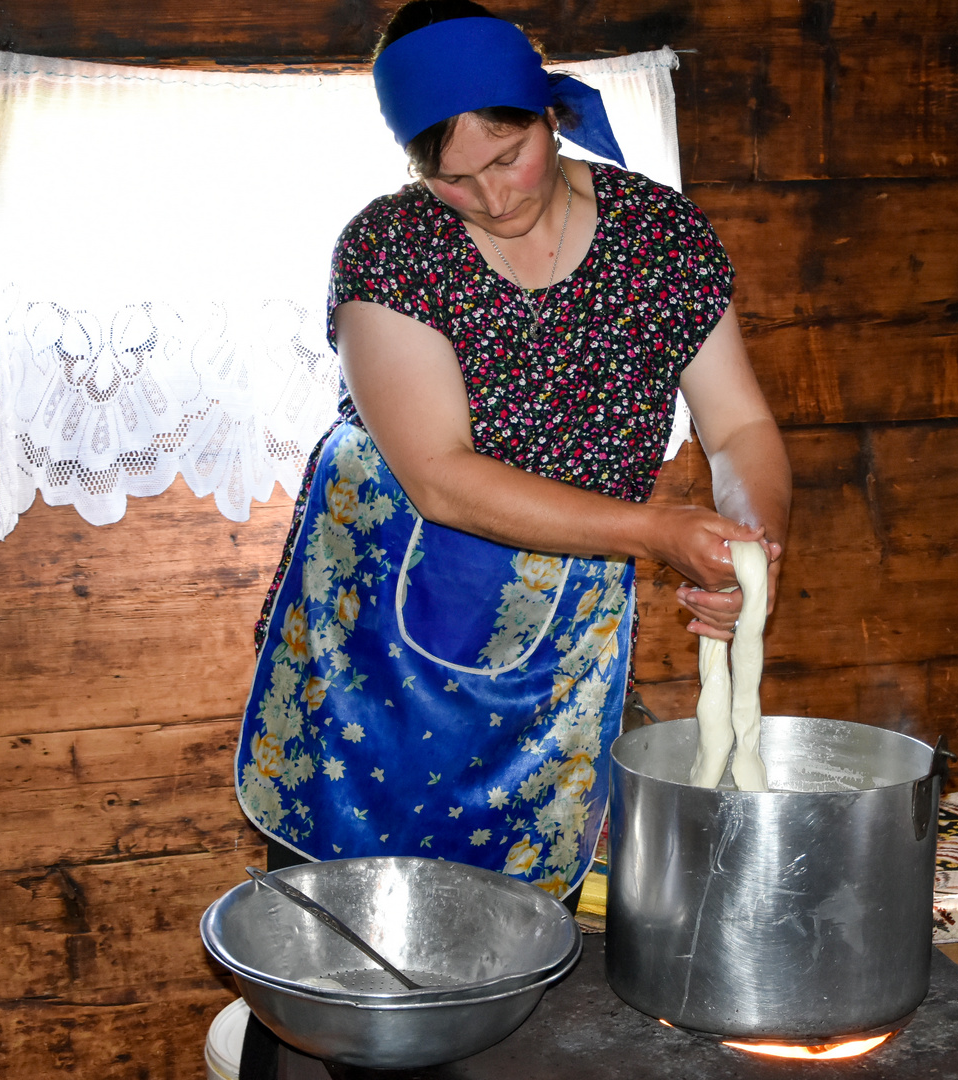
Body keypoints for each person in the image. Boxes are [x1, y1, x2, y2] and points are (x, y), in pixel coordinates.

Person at [234, 0, 790, 906]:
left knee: (517, 912)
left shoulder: (660, 239)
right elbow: (442, 478)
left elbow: (738, 430)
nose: (494, 198)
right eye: (455, 179)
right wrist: (657, 529)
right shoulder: (392, 247)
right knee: (341, 920)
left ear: (549, 113)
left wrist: (752, 545)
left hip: (557, 619)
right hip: (372, 644)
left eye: (507, 156)